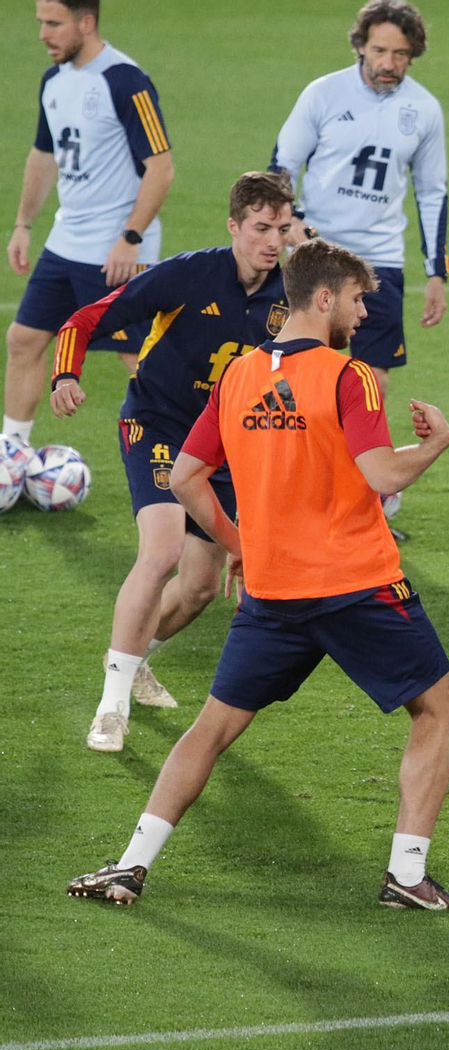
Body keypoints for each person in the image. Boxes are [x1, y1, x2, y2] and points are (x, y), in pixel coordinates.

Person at [67, 239, 449, 910]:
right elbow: (380, 475)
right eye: (356, 298)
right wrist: (435, 444)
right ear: (324, 298)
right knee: (437, 709)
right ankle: (407, 877)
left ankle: (130, 865)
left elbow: (188, 477)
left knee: (213, 727)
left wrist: (238, 544)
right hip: (356, 585)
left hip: (273, 590)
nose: (364, 311)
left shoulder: (239, 376)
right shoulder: (349, 376)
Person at [50, 171, 295, 751]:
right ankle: (110, 707)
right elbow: (84, 320)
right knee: (161, 552)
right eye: (261, 228)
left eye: (282, 229)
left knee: (201, 586)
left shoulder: (292, 294)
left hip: (225, 446)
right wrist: (65, 373)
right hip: (157, 424)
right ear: (233, 226)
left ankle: (132, 661)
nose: (272, 241)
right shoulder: (188, 273)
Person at [5, 0, 173, 453]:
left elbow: (161, 167)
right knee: (23, 340)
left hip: (116, 247)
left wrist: (130, 238)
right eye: (41, 22)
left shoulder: (126, 81)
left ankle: (196, 462)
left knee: (141, 359)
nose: (43, 34)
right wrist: (23, 225)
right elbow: (44, 156)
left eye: (53, 24)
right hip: (66, 242)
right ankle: (12, 453)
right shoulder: (53, 80)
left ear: (86, 23)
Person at [269, 0, 448, 400]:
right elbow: (283, 164)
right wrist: (290, 220)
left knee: (373, 385)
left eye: (400, 54)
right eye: (380, 50)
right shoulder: (324, 93)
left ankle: (357, 464)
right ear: (361, 46)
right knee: (298, 375)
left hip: (379, 261)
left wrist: (437, 273)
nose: (389, 62)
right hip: (317, 253)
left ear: (413, 54)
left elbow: (432, 192)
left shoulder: (424, 110)